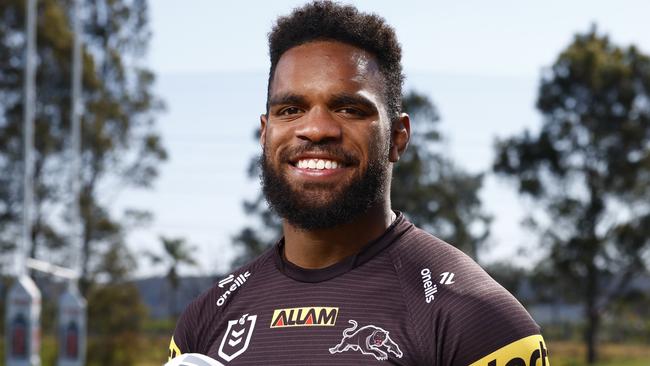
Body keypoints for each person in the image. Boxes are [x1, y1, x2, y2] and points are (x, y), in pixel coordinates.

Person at [168, 1, 549, 365]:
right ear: (265, 133)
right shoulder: (203, 325)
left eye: (349, 109)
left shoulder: (477, 322)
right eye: (291, 110)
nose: (315, 129)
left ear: (397, 137)